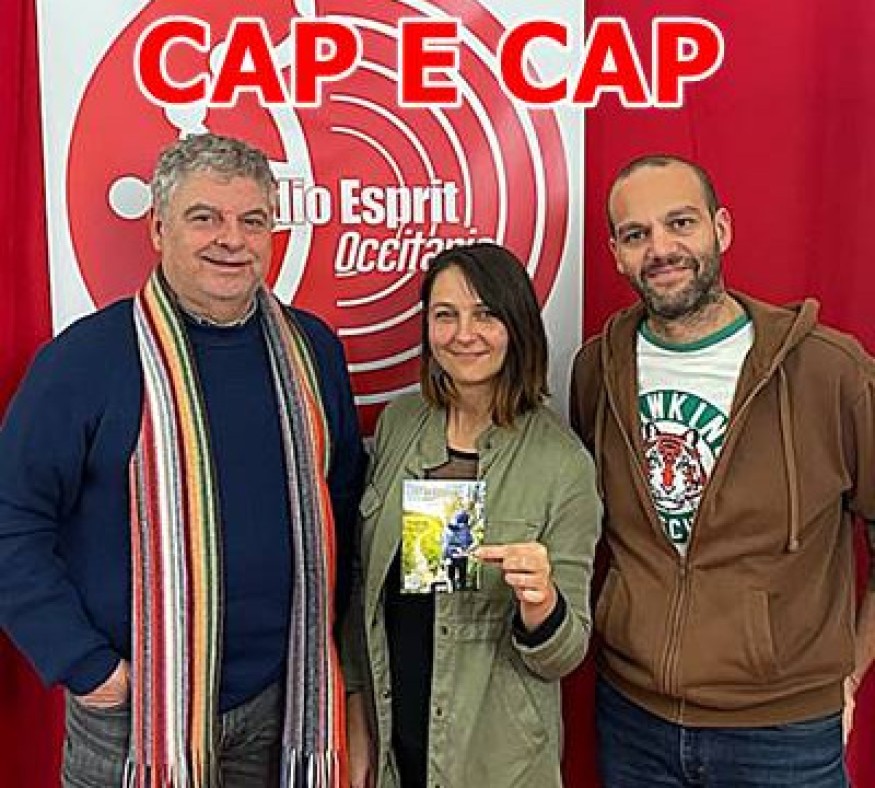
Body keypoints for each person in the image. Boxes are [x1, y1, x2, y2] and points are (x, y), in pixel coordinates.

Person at [0, 133, 366, 787]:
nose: (232, 239)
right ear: (158, 228)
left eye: (252, 220)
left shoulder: (313, 351)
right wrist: (86, 666)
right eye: (205, 217)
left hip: (282, 707)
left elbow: (342, 500)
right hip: (133, 715)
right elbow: (11, 517)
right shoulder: (84, 361)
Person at [569, 153, 875, 787]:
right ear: (616, 254)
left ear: (722, 229)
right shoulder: (597, 370)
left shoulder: (830, 371)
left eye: (680, 223)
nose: (661, 248)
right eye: (637, 234)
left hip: (784, 736)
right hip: (634, 722)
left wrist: (849, 668)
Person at [344, 242, 602, 788]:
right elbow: (363, 583)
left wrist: (542, 605)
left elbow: (565, 655)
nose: (464, 334)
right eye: (446, 315)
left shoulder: (563, 464)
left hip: (496, 763)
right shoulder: (400, 423)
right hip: (395, 748)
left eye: (485, 314)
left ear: (517, 325)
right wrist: (356, 708)